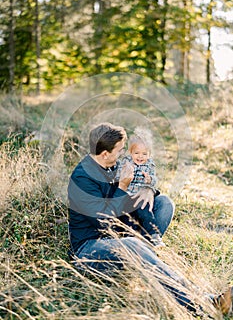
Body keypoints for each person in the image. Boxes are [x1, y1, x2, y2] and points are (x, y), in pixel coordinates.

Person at [68, 122, 232, 316]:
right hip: (91, 248)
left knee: (164, 203)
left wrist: (148, 188)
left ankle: (146, 258)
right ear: (104, 154)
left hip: (123, 234)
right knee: (132, 245)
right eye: (120, 151)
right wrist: (122, 188)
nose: (123, 154)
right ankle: (201, 303)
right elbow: (104, 222)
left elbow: (139, 187)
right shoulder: (82, 179)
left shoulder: (113, 164)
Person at [116, 127, 165, 247]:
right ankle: (131, 239)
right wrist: (123, 176)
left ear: (149, 154)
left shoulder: (149, 165)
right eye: (136, 153)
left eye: (144, 154)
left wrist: (149, 180)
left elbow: (155, 180)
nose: (140, 157)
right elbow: (118, 177)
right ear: (130, 152)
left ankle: (154, 236)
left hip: (141, 196)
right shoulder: (125, 162)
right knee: (129, 218)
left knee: (146, 213)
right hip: (127, 196)